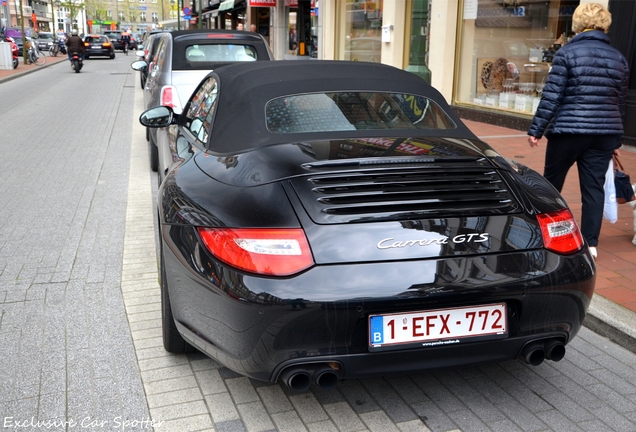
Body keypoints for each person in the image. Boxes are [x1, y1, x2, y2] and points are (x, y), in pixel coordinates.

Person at [527, 3, 629, 260]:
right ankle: (591, 244)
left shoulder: (567, 53)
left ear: (578, 24)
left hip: (569, 130)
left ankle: (543, 232)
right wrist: (616, 138)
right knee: (594, 188)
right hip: (603, 133)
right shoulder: (619, 58)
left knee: (550, 184)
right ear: (604, 24)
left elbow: (552, 96)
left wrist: (537, 130)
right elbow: (620, 102)